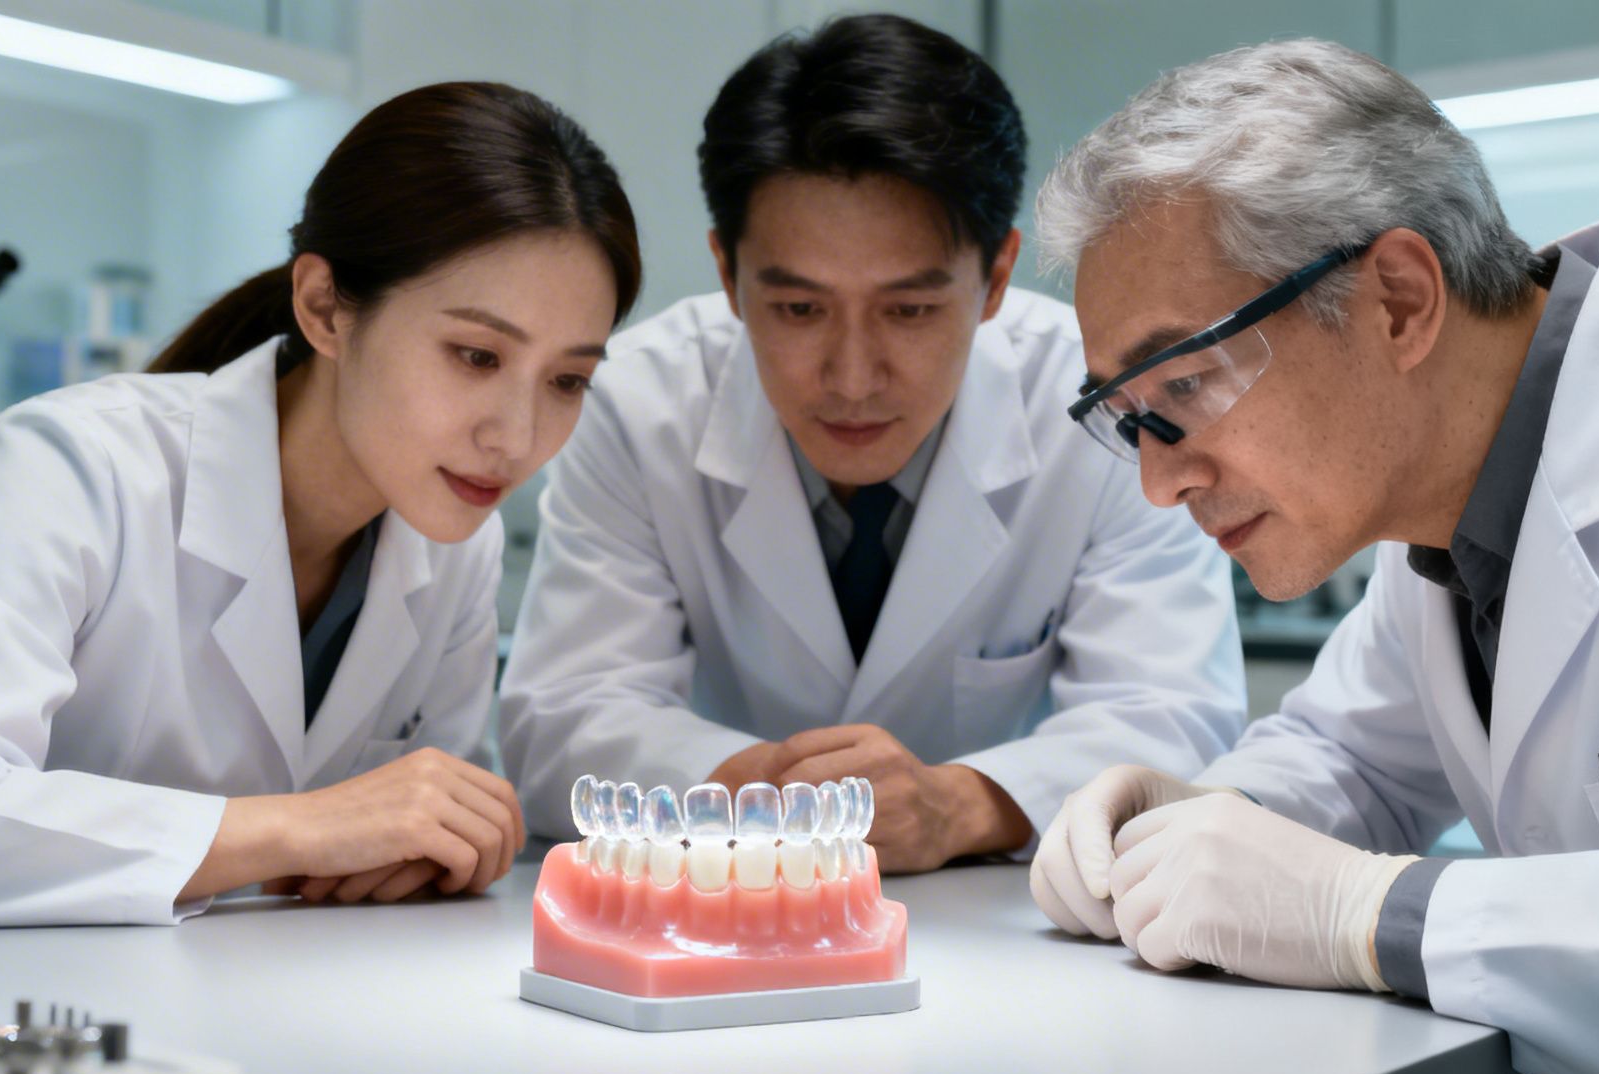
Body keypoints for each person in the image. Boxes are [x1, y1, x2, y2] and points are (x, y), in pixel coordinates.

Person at [1028, 39, 1599, 1074]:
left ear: (1400, 301)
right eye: (1128, 418)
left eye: (1183, 384)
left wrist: (1367, 914)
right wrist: (1200, 823)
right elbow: (1348, 759)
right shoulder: (1442, 519)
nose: (1160, 478)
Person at [0, 82, 642, 928]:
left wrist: (433, 844)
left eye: (567, 380)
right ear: (326, 308)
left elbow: (412, 825)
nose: (518, 438)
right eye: (476, 357)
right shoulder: (77, 467)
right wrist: (303, 825)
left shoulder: (452, 542)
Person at [500, 14, 1244, 873]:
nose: (852, 377)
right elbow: (566, 716)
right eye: (799, 309)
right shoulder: (636, 402)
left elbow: (1174, 713)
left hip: (1008, 932)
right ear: (728, 277)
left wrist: (963, 805)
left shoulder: (1101, 407)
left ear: (997, 277)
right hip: (723, 899)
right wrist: (747, 788)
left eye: (911, 310)